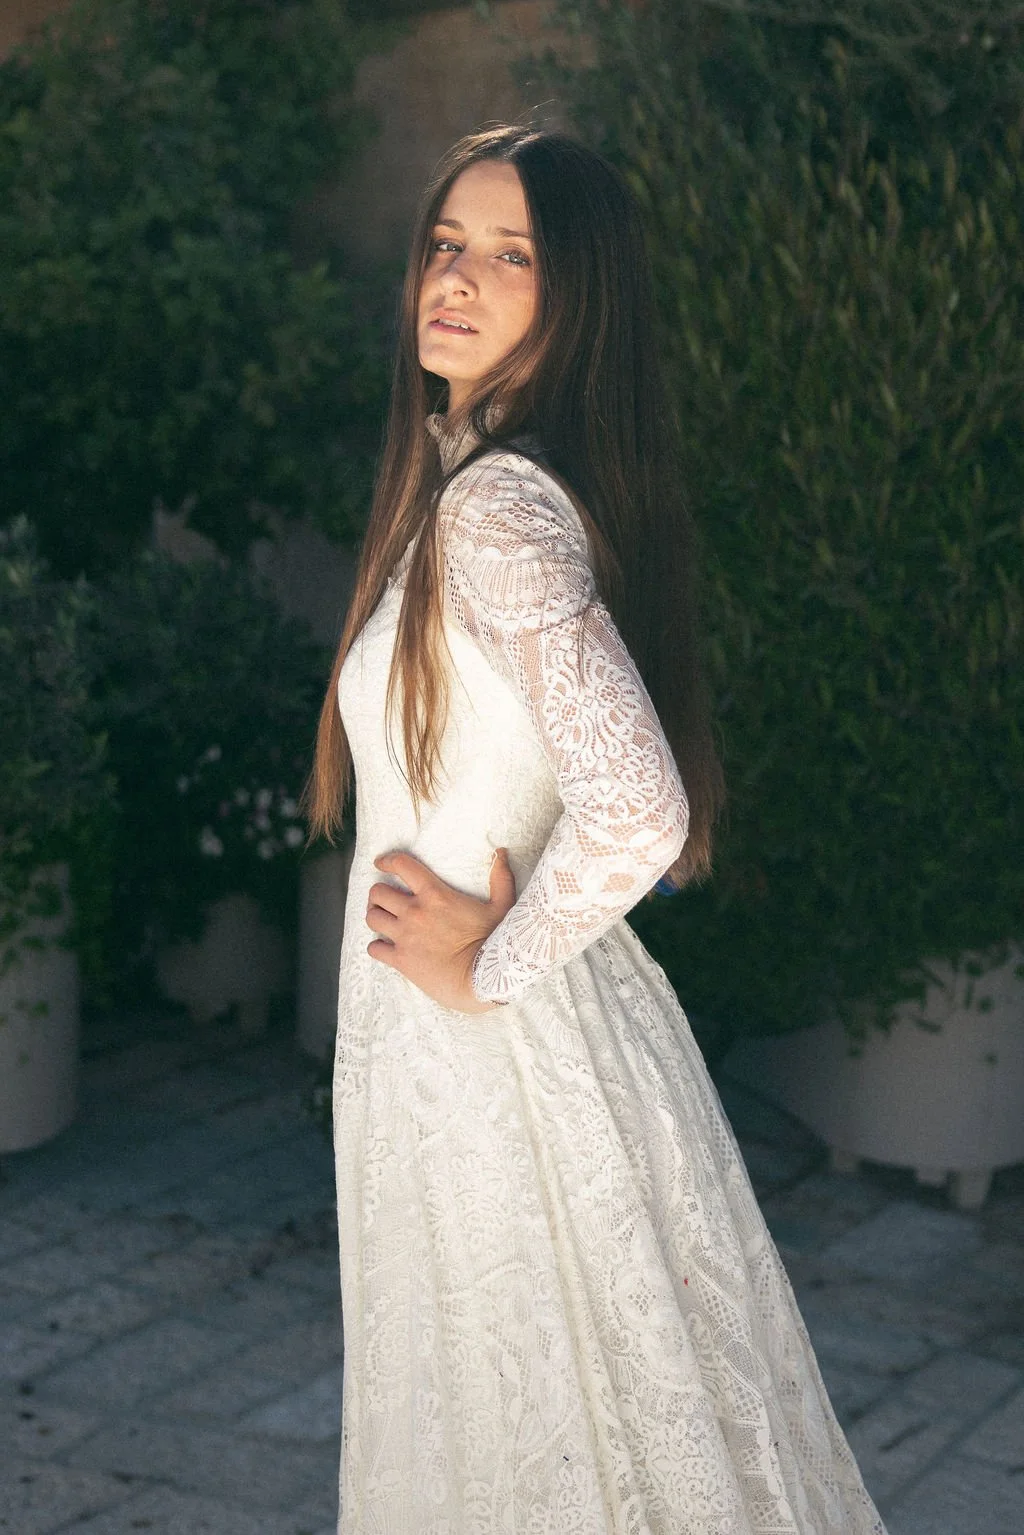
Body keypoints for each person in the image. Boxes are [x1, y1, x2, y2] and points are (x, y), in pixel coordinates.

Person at [306, 125, 886, 1535]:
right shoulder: (468, 482)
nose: (460, 280)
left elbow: (641, 807)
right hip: (468, 1047)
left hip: (496, 1052)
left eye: (515, 258)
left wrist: (487, 966)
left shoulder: (498, 507)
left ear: (581, 301)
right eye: (448, 245)